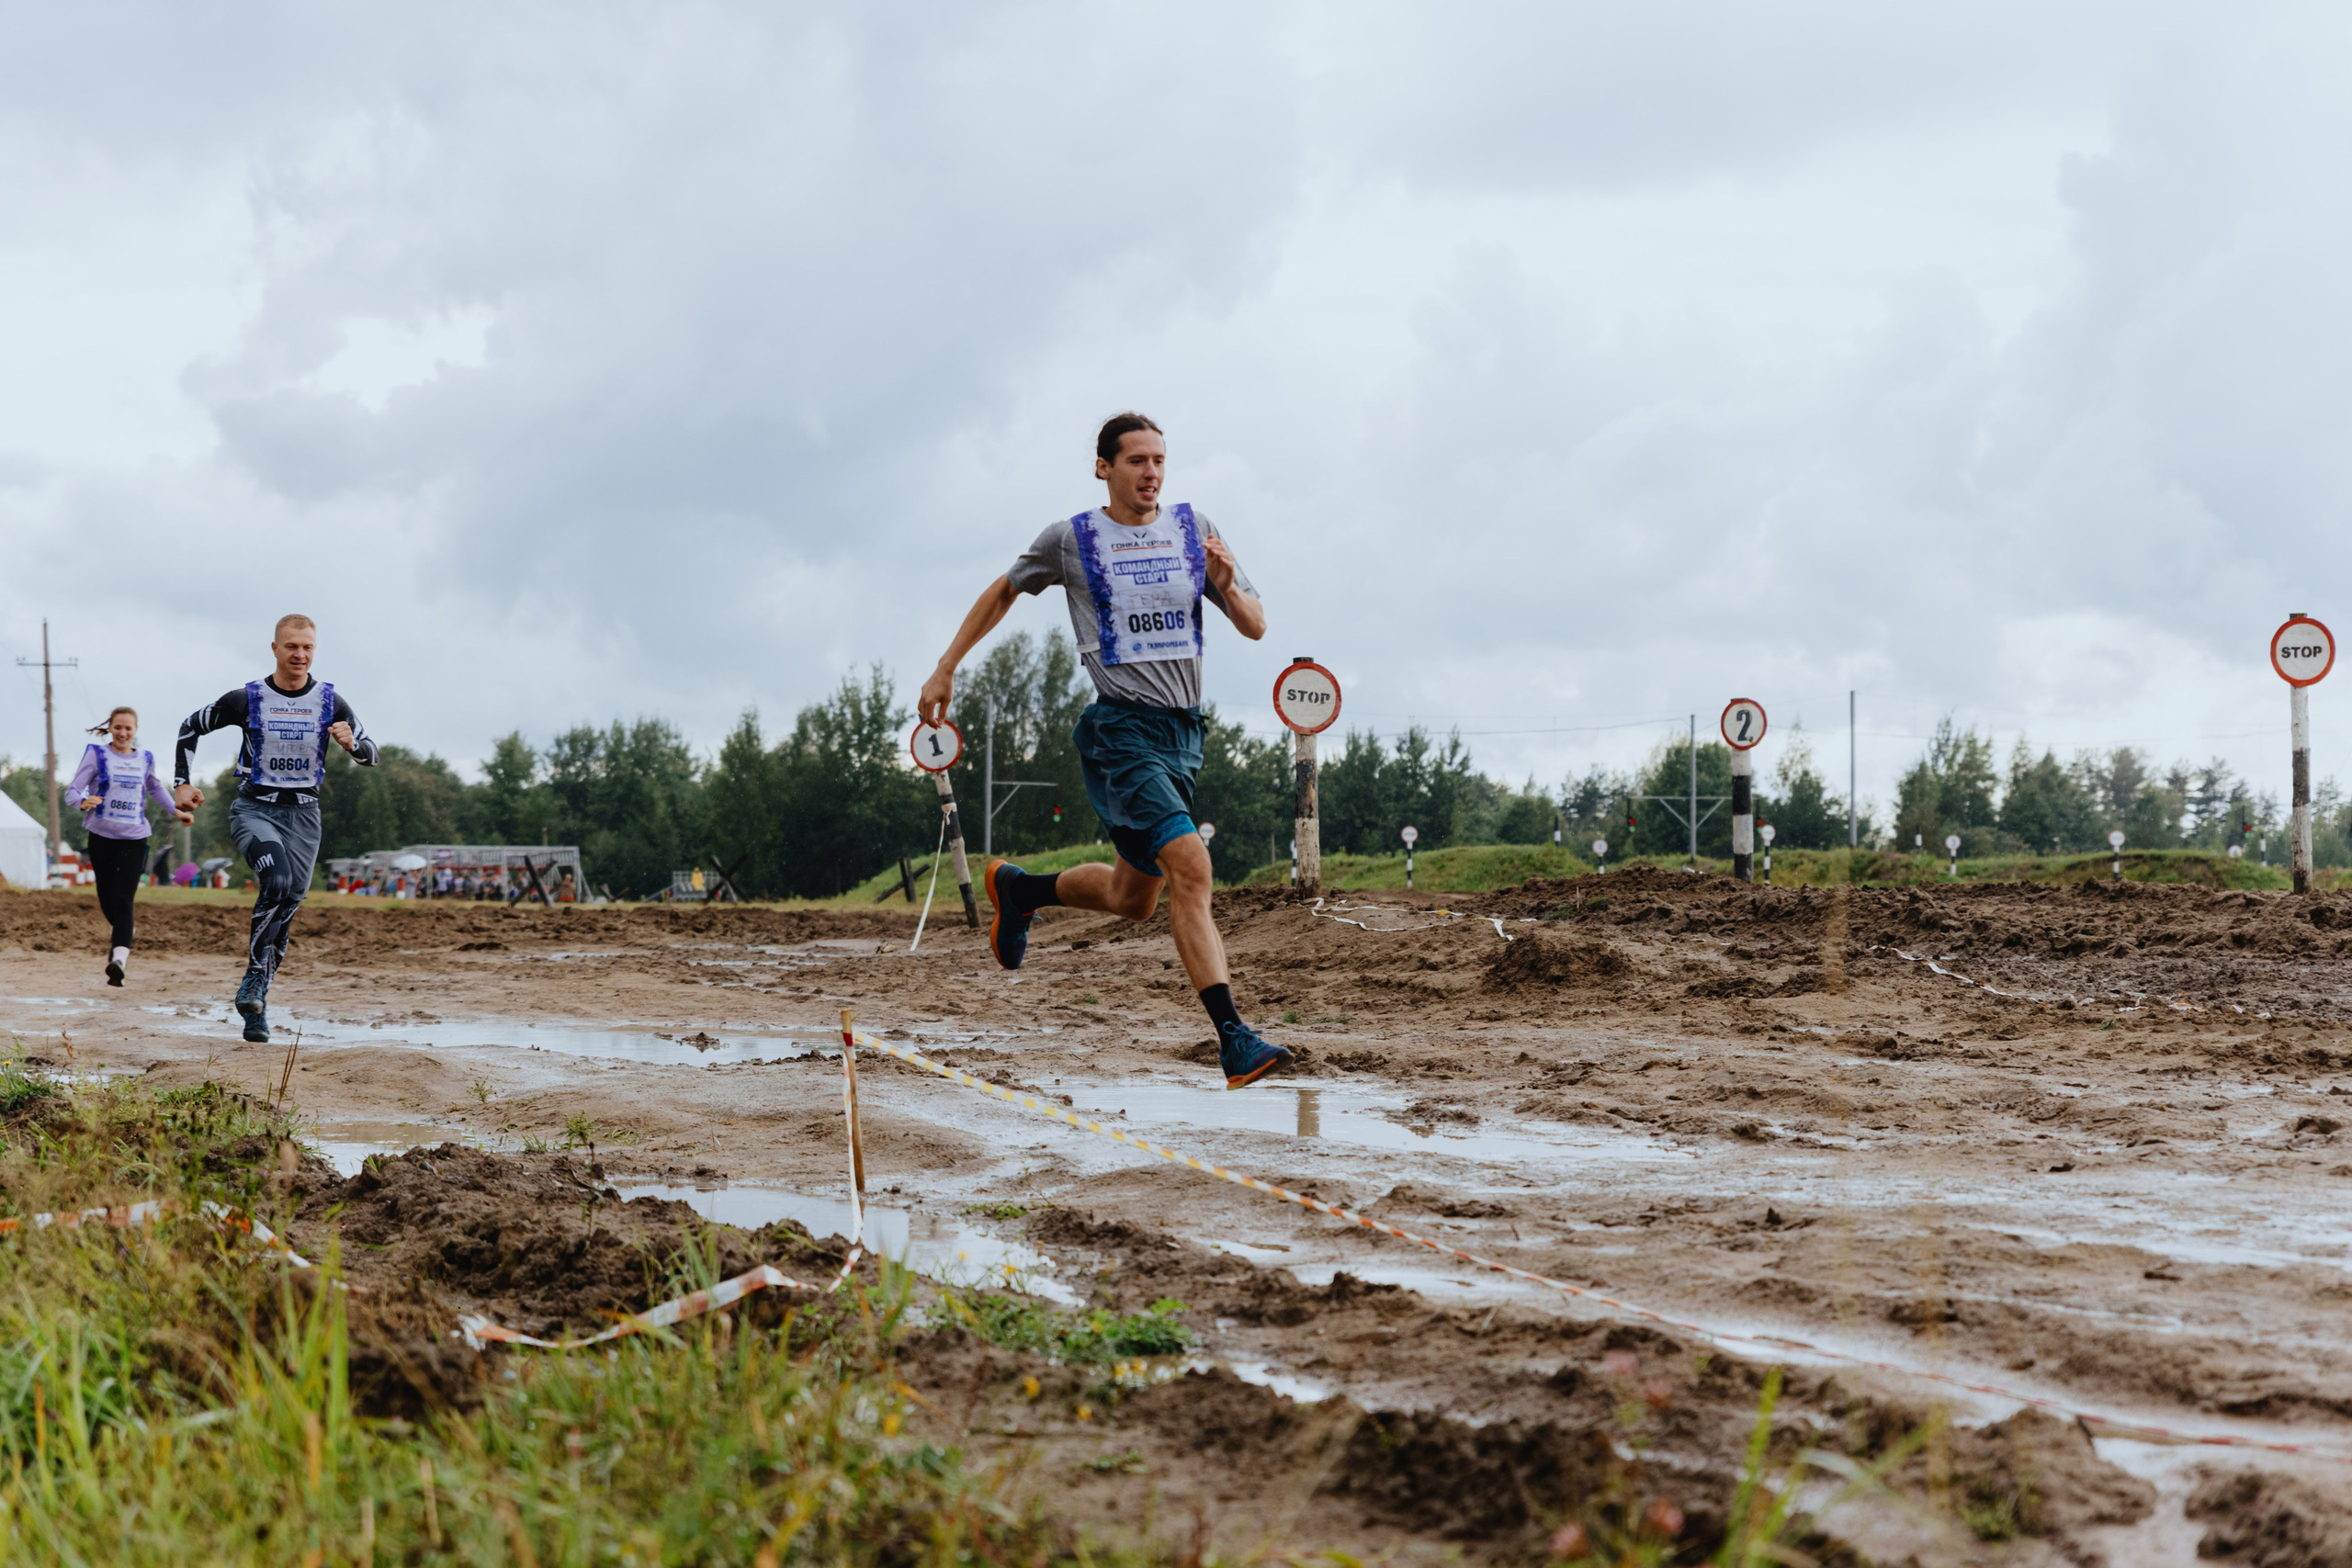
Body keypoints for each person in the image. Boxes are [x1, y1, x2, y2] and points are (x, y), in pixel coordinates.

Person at [920, 412, 1291, 1089]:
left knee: (1133, 898)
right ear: (1104, 467)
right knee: (1191, 862)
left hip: (1185, 735)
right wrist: (947, 666)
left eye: (1159, 462)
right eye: (1136, 461)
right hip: (1121, 731)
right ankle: (1234, 1037)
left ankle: (1020, 889)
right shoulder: (1073, 539)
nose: (1151, 473)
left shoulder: (1193, 529)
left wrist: (1227, 580)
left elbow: (1257, 626)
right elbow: (1003, 591)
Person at [174, 615, 379, 1043]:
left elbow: (372, 754)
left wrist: (352, 745)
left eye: (307, 647)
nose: (299, 655)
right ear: (275, 648)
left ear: (314, 650)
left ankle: (256, 1007)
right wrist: (182, 783)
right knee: (277, 880)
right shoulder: (247, 698)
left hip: (305, 816)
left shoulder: (330, 701)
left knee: (286, 912)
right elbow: (190, 727)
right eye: (291, 647)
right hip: (255, 810)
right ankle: (252, 978)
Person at [67, 706, 193, 987]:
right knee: (107, 900)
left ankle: (119, 960)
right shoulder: (97, 754)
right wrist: (82, 802)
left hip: (135, 839)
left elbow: (156, 788)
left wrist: (178, 812)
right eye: (118, 728)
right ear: (110, 728)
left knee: (124, 900)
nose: (123, 733)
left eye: (129, 729)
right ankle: (126, 930)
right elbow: (72, 791)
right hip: (101, 838)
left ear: (135, 731)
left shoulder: (145, 758)